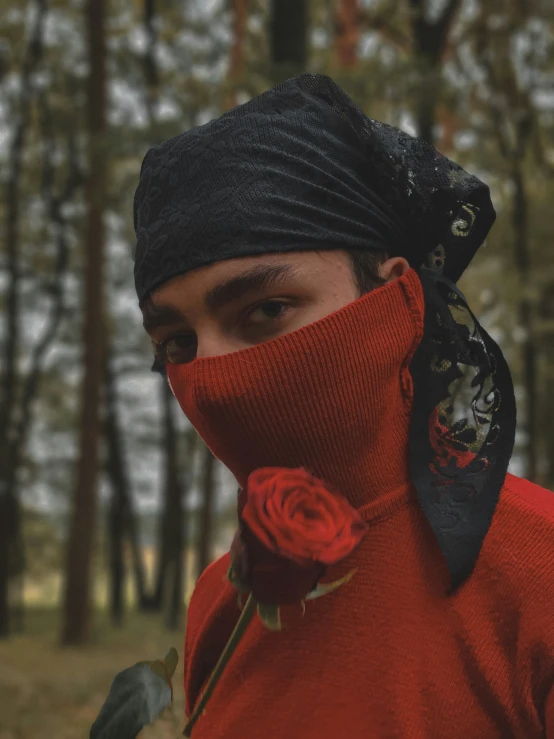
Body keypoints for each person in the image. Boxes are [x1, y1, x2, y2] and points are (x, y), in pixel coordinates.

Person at [133, 74, 554, 738]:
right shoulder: (225, 599)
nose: (209, 375)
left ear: (399, 300)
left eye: (265, 310)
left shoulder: (540, 572)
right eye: (176, 341)